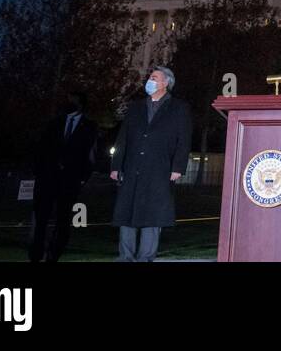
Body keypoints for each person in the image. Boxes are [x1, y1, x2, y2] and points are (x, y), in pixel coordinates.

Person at [110, 67, 192, 261]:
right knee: (126, 213)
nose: (150, 80)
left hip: (159, 169)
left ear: (166, 83)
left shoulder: (179, 108)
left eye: (154, 78)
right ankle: (125, 256)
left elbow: (184, 139)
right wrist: (116, 165)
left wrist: (177, 167)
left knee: (154, 214)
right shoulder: (136, 107)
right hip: (132, 167)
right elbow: (123, 138)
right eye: (150, 77)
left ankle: (146, 257)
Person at [29, 90, 98, 262]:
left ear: (80, 104)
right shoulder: (55, 123)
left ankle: (54, 254)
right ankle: (36, 254)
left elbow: (91, 154)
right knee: (41, 219)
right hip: (47, 178)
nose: (67, 103)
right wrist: (38, 171)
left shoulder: (89, 126)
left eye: (72, 100)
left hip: (70, 181)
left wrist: (83, 177)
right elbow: (41, 148)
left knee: (63, 221)